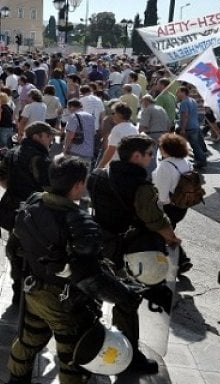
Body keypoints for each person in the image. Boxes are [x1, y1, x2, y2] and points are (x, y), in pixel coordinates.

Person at [7, 156, 144, 383]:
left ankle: (16, 379)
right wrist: (125, 295)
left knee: (29, 339)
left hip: (34, 289)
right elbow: (89, 276)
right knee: (72, 356)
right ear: (79, 184)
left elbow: (14, 247)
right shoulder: (79, 222)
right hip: (65, 301)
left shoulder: (33, 202)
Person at [88, 134, 181, 374]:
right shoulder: (141, 186)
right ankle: (130, 356)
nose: (152, 158)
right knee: (127, 299)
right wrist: (171, 236)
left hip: (98, 243)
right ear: (136, 156)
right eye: (150, 154)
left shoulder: (98, 175)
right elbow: (154, 219)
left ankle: (89, 341)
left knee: (94, 293)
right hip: (127, 250)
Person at [0, 121, 55, 301]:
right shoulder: (40, 159)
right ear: (37, 136)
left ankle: (17, 289)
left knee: (15, 249)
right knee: (33, 252)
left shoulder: (13, 152)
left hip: (12, 207)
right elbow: (48, 188)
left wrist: (13, 189)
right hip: (34, 213)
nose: (51, 139)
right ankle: (29, 292)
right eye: (48, 135)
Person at [153, 133, 193, 274]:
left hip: (168, 207)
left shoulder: (164, 166)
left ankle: (175, 262)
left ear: (166, 149)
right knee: (167, 233)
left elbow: (162, 196)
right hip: (182, 206)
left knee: (160, 234)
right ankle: (182, 261)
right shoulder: (186, 162)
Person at [96, 101, 138, 169]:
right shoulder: (134, 128)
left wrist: (100, 166)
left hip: (116, 166)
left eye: (113, 113)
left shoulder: (117, 129)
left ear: (119, 115)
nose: (112, 115)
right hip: (129, 164)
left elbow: (111, 150)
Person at [138, 94, 171, 175]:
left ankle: (151, 176)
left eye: (142, 102)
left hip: (151, 135)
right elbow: (169, 123)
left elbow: (143, 125)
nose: (142, 104)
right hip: (163, 134)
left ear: (146, 101)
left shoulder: (147, 110)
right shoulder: (161, 109)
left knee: (150, 157)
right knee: (166, 156)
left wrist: (139, 135)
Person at [176, 86, 207, 169]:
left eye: (178, 92)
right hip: (195, 125)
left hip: (190, 127)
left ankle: (202, 160)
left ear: (183, 92)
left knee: (195, 145)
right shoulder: (192, 100)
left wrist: (183, 128)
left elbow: (185, 116)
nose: (176, 94)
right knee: (196, 144)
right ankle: (200, 158)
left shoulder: (184, 102)